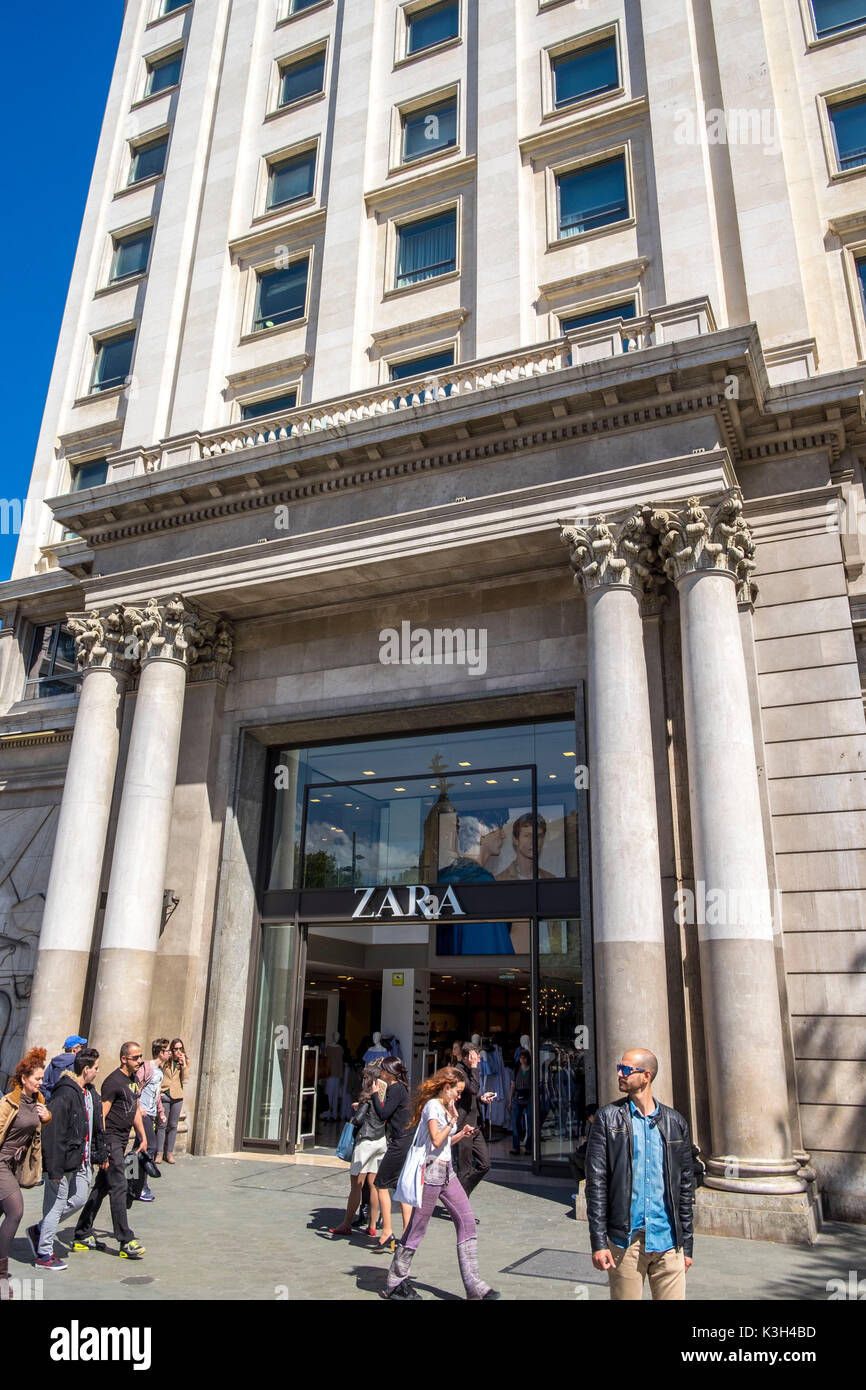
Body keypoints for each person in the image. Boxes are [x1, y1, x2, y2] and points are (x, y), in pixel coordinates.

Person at [585, 1048, 695, 1301]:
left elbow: (685, 1188)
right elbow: (596, 1183)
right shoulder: (607, 1118)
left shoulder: (675, 1122)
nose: (619, 1074)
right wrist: (599, 1242)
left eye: (625, 1069)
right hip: (626, 1242)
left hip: (668, 1242)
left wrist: (686, 1245)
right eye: (619, 1068)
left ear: (646, 1076)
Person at [382, 1067, 499, 1302]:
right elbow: (436, 1139)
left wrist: (460, 1134)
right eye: (457, 1091)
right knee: (416, 1228)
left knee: (467, 1222)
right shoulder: (433, 1106)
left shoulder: (444, 1105)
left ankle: (474, 1285)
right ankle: (394, 1282)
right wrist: (453, 1121)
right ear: (447, 1087)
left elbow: (443, 1142)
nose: (459, 1096)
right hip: (431, 1171)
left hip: (447, 1172)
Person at [29, 1048, 107, 1270]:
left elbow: (95, 1128)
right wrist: (53, 1169)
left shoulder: (89, 1093)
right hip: (62, 1162)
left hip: (81, 1160)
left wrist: (99, 1153)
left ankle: (40, 1230)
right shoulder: (65, 1094)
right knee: (56, 1204)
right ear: (85, 1069)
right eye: (96, 1068)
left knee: (80, 1197)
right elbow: (52, 1133)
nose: (97, 1072)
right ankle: (44, 1254)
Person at [73, 1041, 148, 1261]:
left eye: (141, 1057)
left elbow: (133, 1108)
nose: (139, 1061)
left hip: (124, 1139)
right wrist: (103, 1149)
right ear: (124, 1058)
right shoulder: (113, 1081)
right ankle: (125, 1239)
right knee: (120, 1185)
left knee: (102, 1187)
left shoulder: (133, 1080)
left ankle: (81, 1233)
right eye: (135, 1058)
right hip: (111, 1139)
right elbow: (101, 1117)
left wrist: (142, 1136)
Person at [0, 1048, 51, 1299]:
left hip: (13, 1165)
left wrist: (47, 1116)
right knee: (16, 1211)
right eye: (37, 1079)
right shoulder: (8, 1102)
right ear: (23, 1079)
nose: (41, 1082)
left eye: (42, 1078)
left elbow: (38, 1121)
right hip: (0, 1162)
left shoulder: (38, 1100)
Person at [330, 1063, 386, 1236]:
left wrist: (356, 1111)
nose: (363, 1080)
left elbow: (359, 1120)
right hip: (381, 1141)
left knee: (356, 1185)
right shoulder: (383, 1098)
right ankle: (373, 1225)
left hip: (365, 1143)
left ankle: (346, 1223)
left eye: (365, 1077)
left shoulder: (367, 1098)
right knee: (374, 1184)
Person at [370, 1057, 413, 1252]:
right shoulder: (400, 1088)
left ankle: (387, 1232)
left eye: (382, 1070)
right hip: (405, 1140)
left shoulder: (396, 1089)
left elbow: (383, 1114)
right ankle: (407, 1233)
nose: (380, 1073)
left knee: (380, 1183)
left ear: (390, 1072)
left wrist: (374, 1095)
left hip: (400, 1142)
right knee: (401, 1188)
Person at [454, 1043, 495, 1202]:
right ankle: (460, 1204)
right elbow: (472, 1089)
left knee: (485, 1163)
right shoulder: (459, 1072)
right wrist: (474, 1067)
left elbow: (473, 1094)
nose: (477, 1059)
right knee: (463, 1168)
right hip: (463, 1126)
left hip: (474, 1124)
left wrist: (481, 1099)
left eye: (477, 1056)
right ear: (465, 1057)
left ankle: (459, 1196)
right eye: (473, 1056)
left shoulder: (469, 1071)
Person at [134, 1040, 169, 1201]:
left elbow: (157, 1095)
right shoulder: (147, 1067)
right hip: (143, 1113)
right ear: (161, 1052)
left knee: (137, 1149)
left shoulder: (160, 1071)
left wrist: (161, 1112)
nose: (169, 1053)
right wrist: (138, 1106)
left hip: (152, 1113)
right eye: (167, 1050)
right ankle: (140, 1186)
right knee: (150, 1147)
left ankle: (130, 1182)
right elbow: (135, 1086)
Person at [157, 1037, 189, 1163]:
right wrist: (160, 1091)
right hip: (165, 1094)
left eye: (180, 1048)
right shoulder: (166, 1061)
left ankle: (169, 1153)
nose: (178, 1051)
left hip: (177, 1096)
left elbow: (185, 1079)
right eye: (175, 1049)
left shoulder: (184, 1062)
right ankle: (159, 1153)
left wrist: (184, 1065)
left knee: (173, 1125)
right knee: (161, 1124)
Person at [42, 1036, 88, 1102]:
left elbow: (43, 1082)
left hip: (52, 1101)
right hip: (69, 1103)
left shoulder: (54, 1062)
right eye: (81, 1046)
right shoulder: (77, 1064)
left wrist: (49, 1097)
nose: (81, 1049)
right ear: (74, 1049)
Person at [509, 1049, 532, 1155]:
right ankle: (516, 1147)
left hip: (529, 1096)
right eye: (521, 1057)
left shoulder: (531, 1070)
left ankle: (529, 1147)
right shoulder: (516, 1069)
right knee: (515, 1122)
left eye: (524, 1057)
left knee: (530, 1123)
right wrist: (510, 1099)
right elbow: (512, 1085)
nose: (522, 1059)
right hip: (518, 1097)